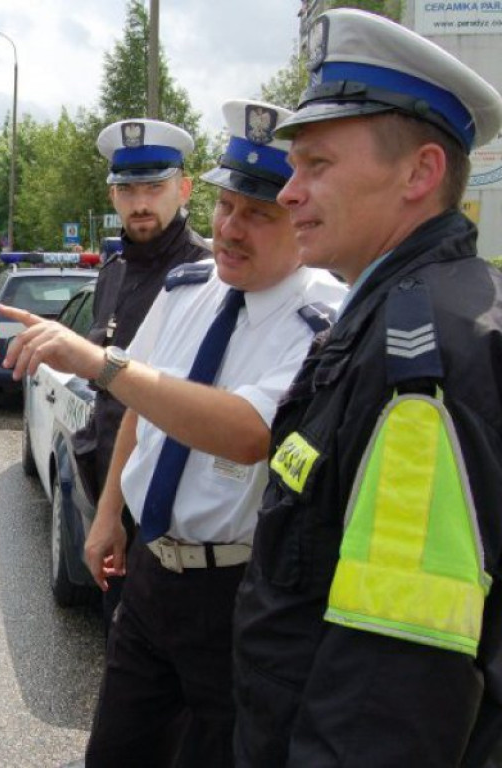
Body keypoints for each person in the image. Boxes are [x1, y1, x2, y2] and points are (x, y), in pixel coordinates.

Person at [0, 100, 346, 767]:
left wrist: (98, 361)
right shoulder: (190, 288)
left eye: (259, 214)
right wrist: (109, 517)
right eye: (226, 208)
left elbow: (249, 432)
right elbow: (142, 407)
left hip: (238, 595)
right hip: (153, 577)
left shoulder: (325, 314)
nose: (231, 230)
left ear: (301, 218)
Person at [231, 10, 502, 767]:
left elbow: (390, 694)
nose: (288, 193)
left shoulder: (421, 361)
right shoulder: (394, 318)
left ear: (419, 174)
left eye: (317, 165)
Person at [74, 120, 210, 634]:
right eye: (128, 189)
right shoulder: (114, 271)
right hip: (114, 496)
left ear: (185, 188)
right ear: (112, 195)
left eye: (155, 186)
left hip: (170, 519)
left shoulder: (208, 275)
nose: (141, 202)